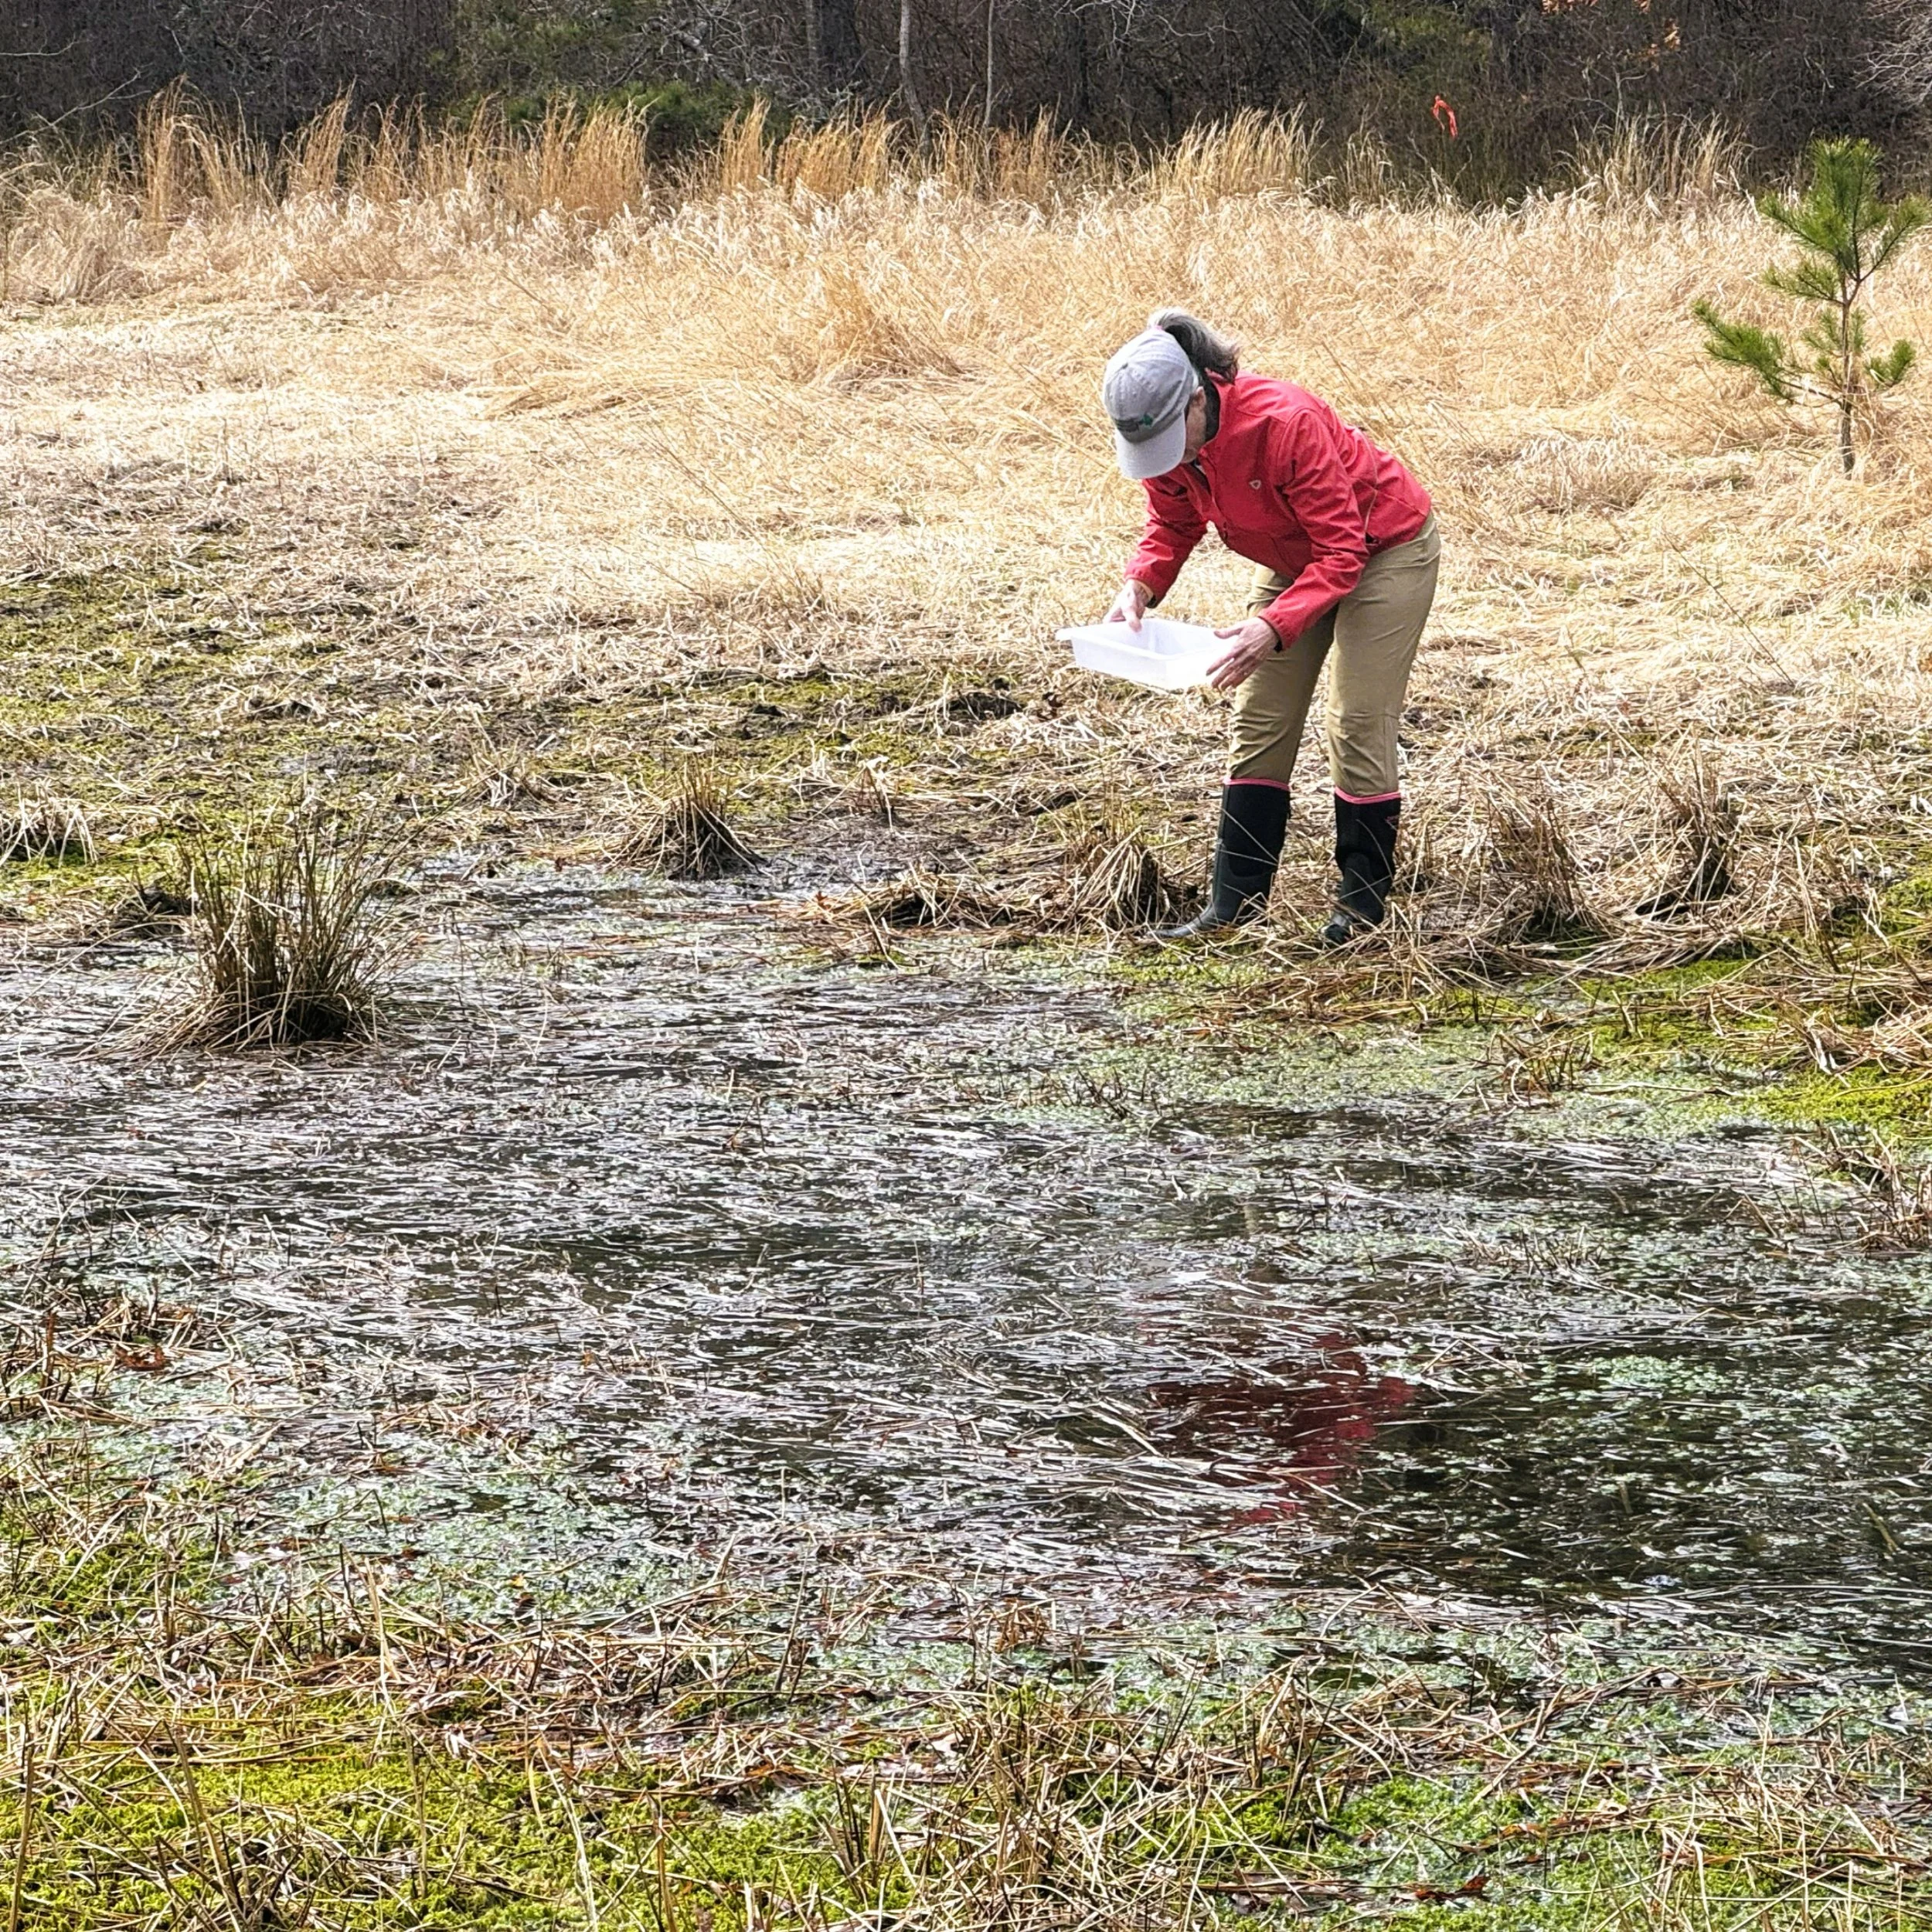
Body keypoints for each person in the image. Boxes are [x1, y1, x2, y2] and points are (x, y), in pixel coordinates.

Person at [1099, 311, 1439, 944]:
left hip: (1384, 549)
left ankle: (1359, 915)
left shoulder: (1286, 422)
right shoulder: (1174, 444)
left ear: (1197, 397)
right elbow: (1173, 523)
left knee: (1357, 719)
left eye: (1176, 438)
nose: (1174, 458)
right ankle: (1233, 909)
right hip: (1294, 557)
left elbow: (1343, 554)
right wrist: (1140, 582)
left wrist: (1272, 627)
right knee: (1258, 717)